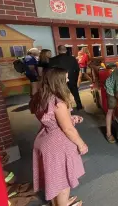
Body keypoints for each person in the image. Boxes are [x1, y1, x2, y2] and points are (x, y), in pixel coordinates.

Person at [30, 68, 87, 206]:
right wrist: (81, 144)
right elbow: (67, 129)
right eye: (65, 78)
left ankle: (57, 203)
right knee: (63, 179)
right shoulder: (58, 102)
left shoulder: (40, 96)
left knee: (53, 178)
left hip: (44, 139)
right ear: (58, 82)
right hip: (58, 144)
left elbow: (51, 119)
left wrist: (71, 118)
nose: (67, 80)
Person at [49, 45, 84, 112]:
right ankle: (79, 106)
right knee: (75, 92)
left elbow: (51, 71)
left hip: (59, 79)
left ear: (58, 50)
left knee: (62, 94)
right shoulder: (72, 58)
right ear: (66, 50)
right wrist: (75, 78)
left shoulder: (52, 60)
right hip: (72, 78)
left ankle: (65, 108)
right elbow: (77, 69)